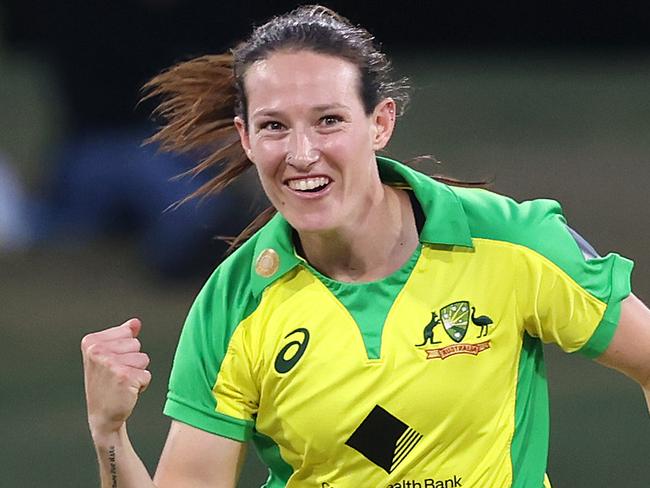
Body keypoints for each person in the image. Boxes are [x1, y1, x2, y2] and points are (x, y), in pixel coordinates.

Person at [81, 5, 650, 487]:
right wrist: (110, 435)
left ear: (380, 124)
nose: (302, 154)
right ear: (246, 138)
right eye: (275, 126)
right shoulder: (234, 305)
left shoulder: (511, 243)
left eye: (328, 121)